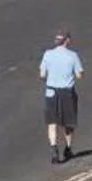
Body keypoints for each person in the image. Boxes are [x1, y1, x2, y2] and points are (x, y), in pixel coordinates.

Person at [39, 31, 83, 162]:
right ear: (67, 41)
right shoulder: (73, 56)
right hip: (67, 92)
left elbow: (42, 75)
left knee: (52, 122)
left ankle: (54, 149)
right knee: (68, 122)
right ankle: (68, 148)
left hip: (51, 92)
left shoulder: (48, 54)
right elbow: (80, 75)